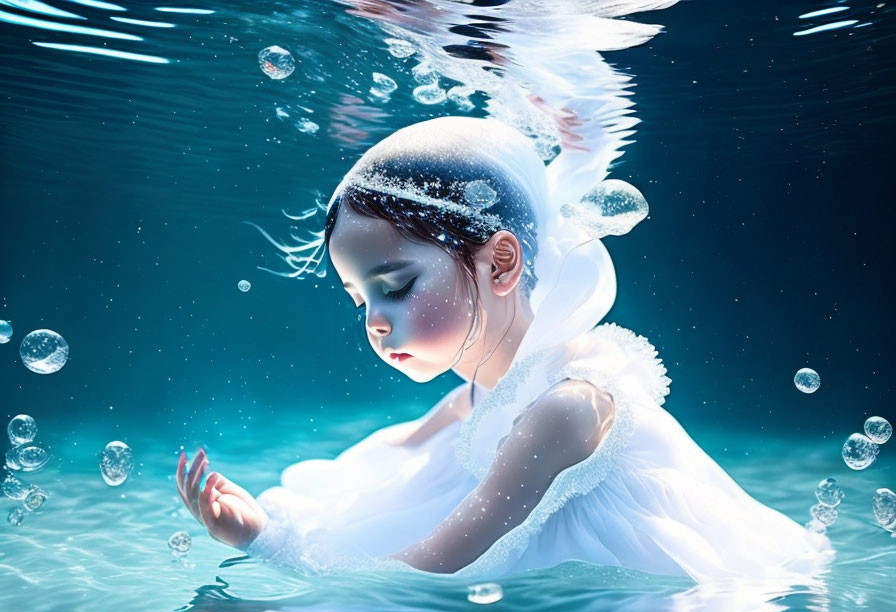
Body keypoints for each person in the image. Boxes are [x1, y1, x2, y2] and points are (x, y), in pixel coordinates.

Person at [175, 116, 832, 584]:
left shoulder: (564, 410)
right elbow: (400, 451)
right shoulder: (490, 386)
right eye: (358, 301)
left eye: (396, 287)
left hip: (627, 603)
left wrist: (273, 550)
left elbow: (447, 556)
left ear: (501, 264)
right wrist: (278, 525)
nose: (374, 323)